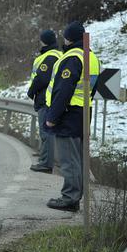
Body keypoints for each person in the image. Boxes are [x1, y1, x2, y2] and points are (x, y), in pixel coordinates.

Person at [44, 22, 99, 212]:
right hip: (83, 112)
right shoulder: (91, 57)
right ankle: (75, 195)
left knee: (69, 159)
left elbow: (63, 90)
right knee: (78, 158)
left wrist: (52, 116)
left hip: (69, 113)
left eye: (65, 36)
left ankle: (70, 198)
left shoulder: (72, 58)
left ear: (69, 38)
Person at [26, 29, 61, 174]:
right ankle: (46, 161)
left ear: (44, 41)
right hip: (53, 98)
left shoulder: (49, 56)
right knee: (49, 132)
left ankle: (46, 164)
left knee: (46, 133)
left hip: (45, 99)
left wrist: (31, 91)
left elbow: (41, 78)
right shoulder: (58, 54)